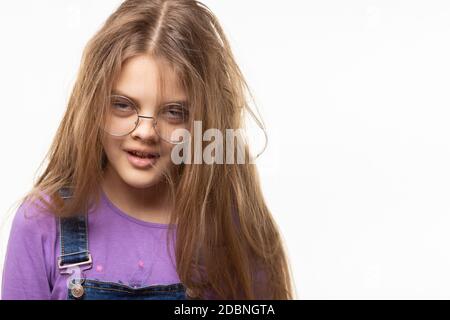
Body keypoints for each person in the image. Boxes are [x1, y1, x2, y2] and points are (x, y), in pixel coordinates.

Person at [1, 0, 294, 300]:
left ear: (202, 123)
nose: (145, 132)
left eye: (173, 112)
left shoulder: (233, 232)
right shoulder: (43, 222)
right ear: (94, 107)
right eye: (123, 105)